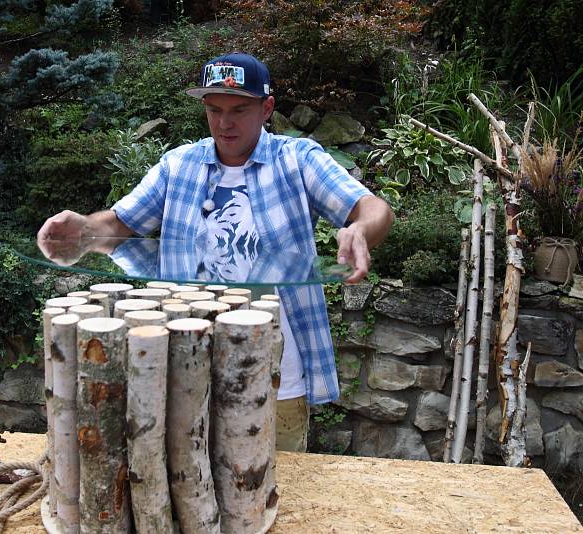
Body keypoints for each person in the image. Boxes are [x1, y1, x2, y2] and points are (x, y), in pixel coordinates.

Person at [38, 52, 394, 452]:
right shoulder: (179, 166)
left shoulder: (297, 160)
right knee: (191, 486)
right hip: (187, 368)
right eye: (214, 109)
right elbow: (120, 225)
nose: (225, 122)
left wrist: (360, 229)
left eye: (239, 109)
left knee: (276, 490)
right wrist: (85, 229)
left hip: (276, 375)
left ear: (267, 108)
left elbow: (374, 209)